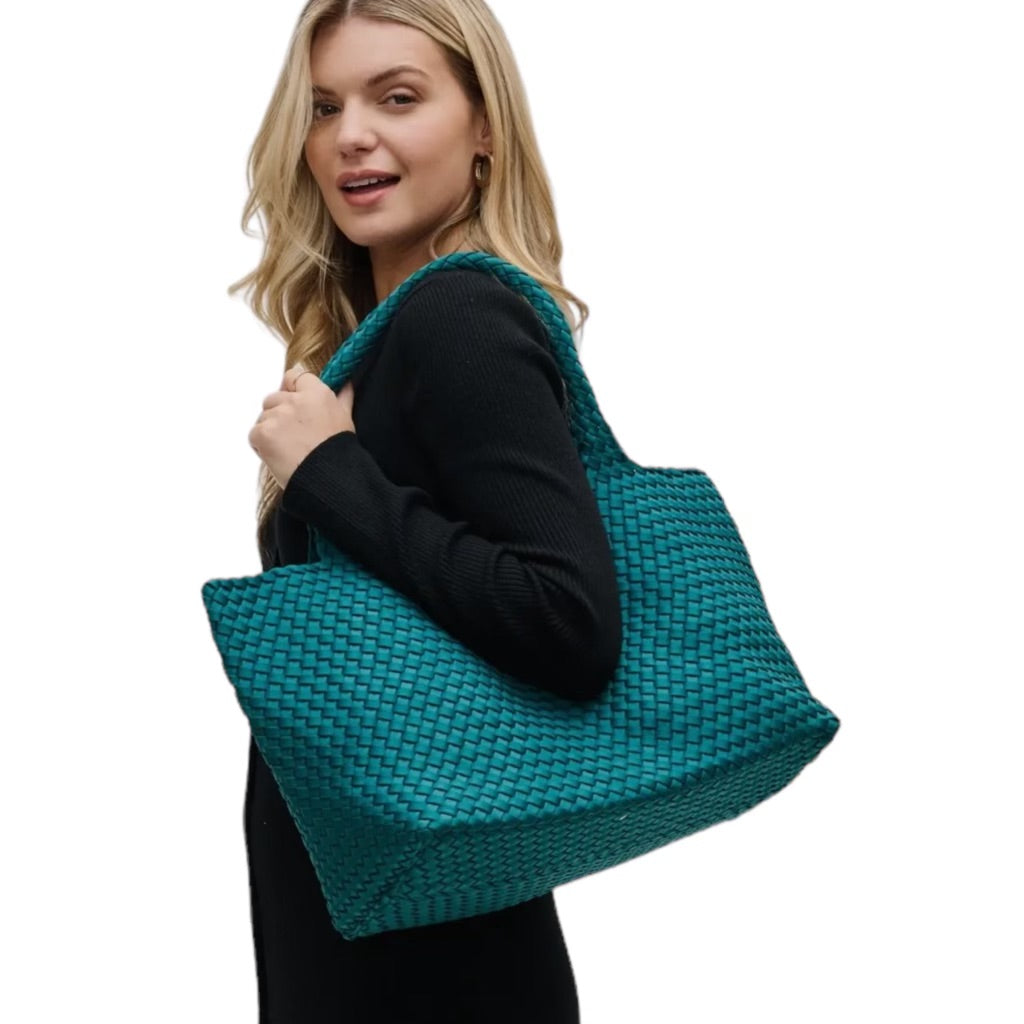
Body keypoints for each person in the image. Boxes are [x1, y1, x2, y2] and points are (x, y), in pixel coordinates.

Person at [233, 1, 623, 1020]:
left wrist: (332, 470)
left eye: (397, 98)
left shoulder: (461, 317)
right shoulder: (376, 341)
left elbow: (569, 621)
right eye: (324, 107)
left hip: (434, 965)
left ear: (484, 125)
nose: (349, 136)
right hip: (376, 926)